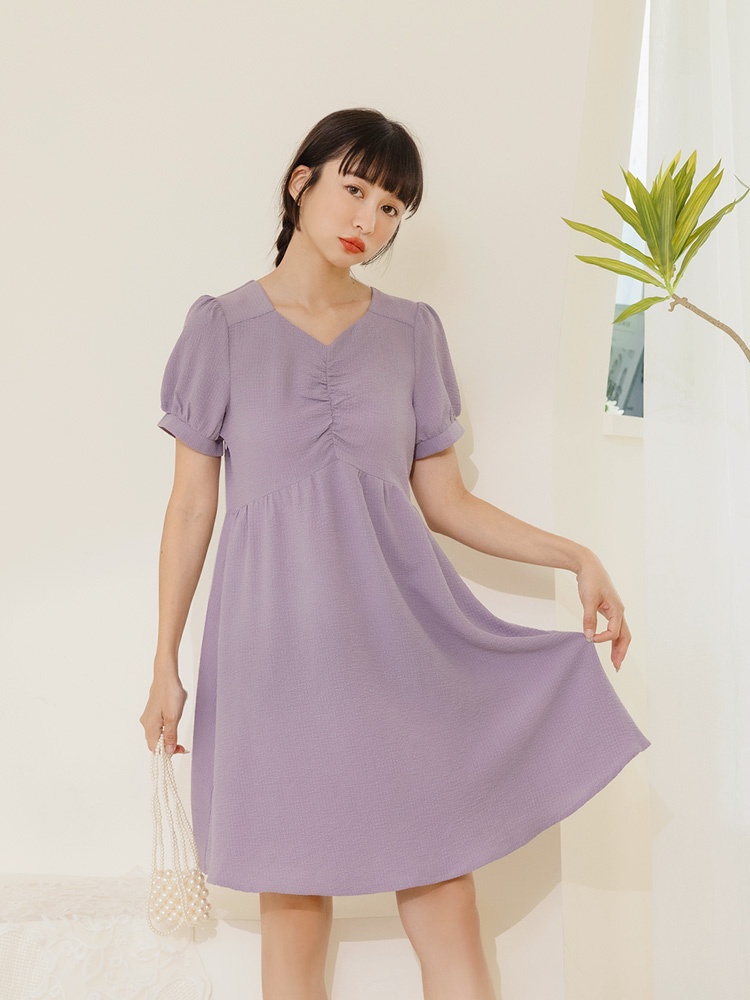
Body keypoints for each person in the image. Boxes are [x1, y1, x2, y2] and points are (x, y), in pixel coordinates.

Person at [140, 107, 650, 1000]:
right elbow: (190, 510)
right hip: (271, 651)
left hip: (399, 646)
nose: (368, 221)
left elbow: (445, 503)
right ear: (300, 183)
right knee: (294, 906)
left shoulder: (412, 332)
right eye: (354, 190)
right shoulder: (220, 327)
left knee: (445, 891)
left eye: (390, 208)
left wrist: (574, 556)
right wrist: (164, 664)